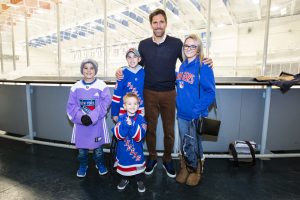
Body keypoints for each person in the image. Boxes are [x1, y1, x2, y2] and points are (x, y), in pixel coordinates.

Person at [116, 8, 213, 178]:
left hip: (169, 93)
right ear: (151, 24)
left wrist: (206, 60)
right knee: (150, 129)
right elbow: (136, 66)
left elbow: (189, 63)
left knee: (169, 131)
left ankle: (168, 159)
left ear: (166, 23)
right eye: (155, 22)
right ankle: (152, 157)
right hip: (148, 93)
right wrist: (121, 70)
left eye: (161, 22)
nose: (158, 25)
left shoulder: (176, 44)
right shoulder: (143, 44)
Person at [175, 34, 215, 186]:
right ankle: (185, 167)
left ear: (198, 49)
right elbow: (182, 83)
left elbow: (210, 92)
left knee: (195, 143)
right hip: (182, 114)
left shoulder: (203, 66)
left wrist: (196, 110)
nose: (189, 49)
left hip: (195, 114)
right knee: (185, 143)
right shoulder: (183, 65)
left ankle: (196, 170)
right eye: (186, 46)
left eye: (193, 46)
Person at [66, 58, 112, 178]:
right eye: (85, 68)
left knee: (98, 150)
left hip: (96, 124)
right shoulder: (75, 87)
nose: (88, 70)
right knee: (82, 150)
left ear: (95, 70)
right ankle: (83, 165)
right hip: (81, 125)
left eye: (91, 68)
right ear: (82, 70)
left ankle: (100, 163)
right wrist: (81, 117)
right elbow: (71, 106)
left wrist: (92, 116)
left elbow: (106, 102)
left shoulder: (101, 85)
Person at [112, 93, 147, 192]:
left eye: (135, 104)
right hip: (124, 150)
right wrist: (126, 126)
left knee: (138, 168)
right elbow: (118, 135)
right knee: (125, 168)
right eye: (129, 104)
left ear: (138, 105)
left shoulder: (141, 119)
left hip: (137, 150)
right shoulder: (121, 118)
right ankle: (125, 179)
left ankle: (139, 181)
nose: (132, 106)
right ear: (124, 106)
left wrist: (132, 125)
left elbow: (139, 137)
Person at [111, 48, 144, 123]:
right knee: (124, 132)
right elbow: (116, 96)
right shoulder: (122, 73)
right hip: (124, 110)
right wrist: (115, 113)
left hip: (140, 110)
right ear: (126, 59)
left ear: (139, 59)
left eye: (134, 57)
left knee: (138, 133)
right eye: (129, 57)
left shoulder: (144, 73)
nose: (132, 59)